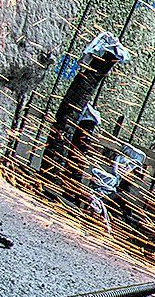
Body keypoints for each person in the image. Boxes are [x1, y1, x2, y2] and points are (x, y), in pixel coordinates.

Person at [39, 31, 131, 196]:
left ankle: (58, 180)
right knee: (64, 128)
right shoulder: (91, 72)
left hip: (78, 101)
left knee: (65, 128)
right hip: (76, 104)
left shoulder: (94, 71)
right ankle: (55, 178)